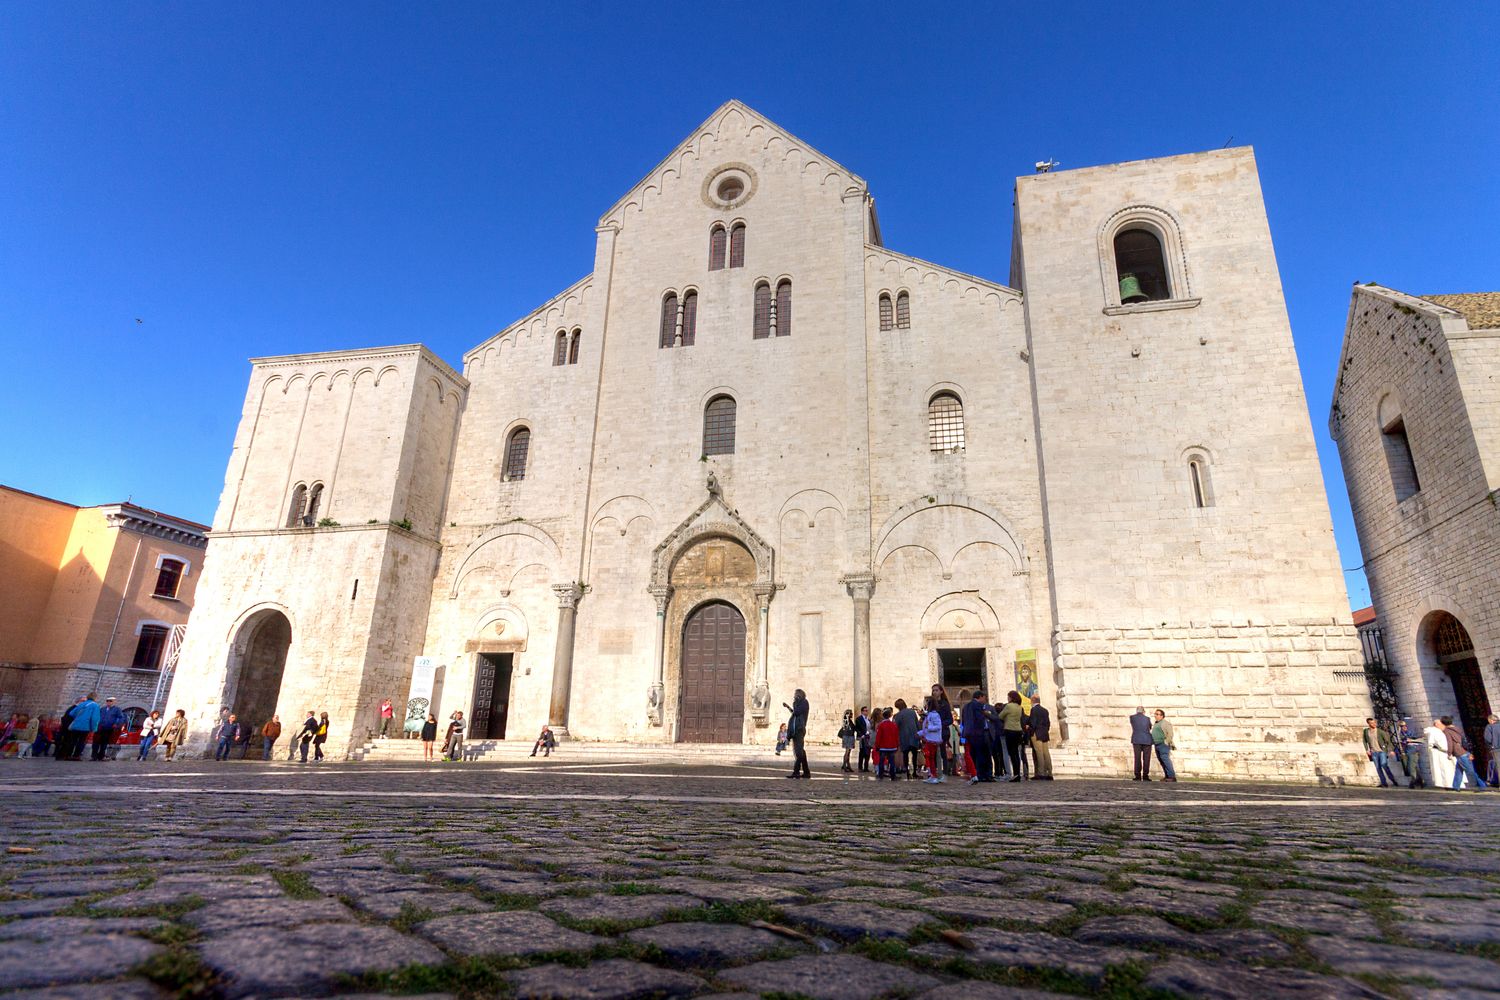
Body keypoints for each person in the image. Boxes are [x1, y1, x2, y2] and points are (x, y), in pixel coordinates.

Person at [1443, 716, 1487, 791]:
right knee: (1458, 770)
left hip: (1459, 752)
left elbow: (1449, 742)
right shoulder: (1457, 729)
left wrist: (1449, 753)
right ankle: (1456, 787)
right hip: (1465, 751)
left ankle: (1482, 785)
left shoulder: (1447, 731)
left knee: (1470, 771)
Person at [961, 691, 996, 784]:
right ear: (980, 697)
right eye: (984, 697)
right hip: (979, 733)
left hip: (970, 734)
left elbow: (963, 720)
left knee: (974, 754)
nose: (985, 699)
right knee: (984, 755)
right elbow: (979, 720)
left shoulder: (966, 706)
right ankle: (985, 775)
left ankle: (976, 774)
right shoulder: (977, 705)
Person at [1362, 718, 1399, 788]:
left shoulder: (1380, 731)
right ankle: (1384, 783)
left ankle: (1392, 779)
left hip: (1381, 751)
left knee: (1384, 765)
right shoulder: (1366, 731)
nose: (1374, 724)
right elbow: (1364, 740)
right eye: (1372, 723)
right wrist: (1367, 750)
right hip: (1374, 752)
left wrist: (1390, 750)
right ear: (1368, 724)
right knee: (1378, 768)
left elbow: (1388, 741)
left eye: (1374, 723)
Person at [998, 691, 1026, 782]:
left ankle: (1015, 774)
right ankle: (1017, 773)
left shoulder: (1009, 706)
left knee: (1011, 753)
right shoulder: (1019, 707)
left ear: (1011, 698)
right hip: (1018, 730)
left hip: (1009, 730)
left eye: (1008, 697)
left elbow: (1001, 716)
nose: (1007, 698)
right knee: (1016, 754)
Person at [65, 694, 101, 762]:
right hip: (85, 726)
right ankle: (76, 756)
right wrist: (94, 728)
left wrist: (79, 718)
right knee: (81, 741)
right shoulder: (95, 706)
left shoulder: (82, 704)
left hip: (76, 725)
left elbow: (72, 713)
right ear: (95, 698)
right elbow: (94, 718)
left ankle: (68, 755)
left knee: (73, 740)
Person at [1425, 717, 1457, 790]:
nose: (1443, 725)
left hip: (1443, 753)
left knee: (1447, 769)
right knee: (1445, 770)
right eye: (1441, 724)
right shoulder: (1435, 732)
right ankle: (1447, 784)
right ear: (1436, 724)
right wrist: (1450, 750)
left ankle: (1449, 784)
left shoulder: (1438, 731)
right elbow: (1442, 744)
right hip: (1441, 753)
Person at [784, 689, 810, 779]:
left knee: (798, 752)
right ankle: (806, 773)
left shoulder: (804, 702)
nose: (794, 696)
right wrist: (788, 707)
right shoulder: (798, 703)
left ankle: (796, 772)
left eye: (796, 694)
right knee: (800, 751)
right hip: (795, 731)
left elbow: (798, 712)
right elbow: (795, 713)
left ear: (800, 695)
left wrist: (795, 703)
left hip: (799, 730)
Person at [921, 697, 946, 784]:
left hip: (932, 739)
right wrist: (920, 733)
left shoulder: (934, 715)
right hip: (929, 738)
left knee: (930, 757)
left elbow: (938, 726)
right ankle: (933, 775)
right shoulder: (930, 715)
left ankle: (934, 776)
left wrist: (929, 728)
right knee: (930, 757)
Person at [932, 684, 955, 775]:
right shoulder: (931, 703)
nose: (934, 692)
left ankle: (945, 771)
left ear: (941, 691)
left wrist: (940, 724)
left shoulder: (945, 704)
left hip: (942, 731)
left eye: (936, 690)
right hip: (933, 731)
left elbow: (950, 719)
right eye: (933, 690)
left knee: (942, 752)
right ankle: (934, 771)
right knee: (932, 752)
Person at [893, 699, 920, 778]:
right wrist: (919, 733)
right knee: (914, 755)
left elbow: (895, 726)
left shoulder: (898, 715)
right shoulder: (912, 712)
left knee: (905, 755)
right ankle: (914, 772)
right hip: (914, 736)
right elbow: (917, 723)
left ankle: (908, 772)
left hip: (904, 737)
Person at [93, 696, 125, 761]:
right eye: (107, 701)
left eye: (110, 701)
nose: (108, 702)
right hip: (100, 727)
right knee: (96, 742)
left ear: (114, 702)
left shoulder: (117, 709)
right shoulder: (102, 709)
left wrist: (116, 724)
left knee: (104, 743)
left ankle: (101, 756)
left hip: (108, 728)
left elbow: (121, 718)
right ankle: (94, 756)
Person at [1029, 697, 1053, 780]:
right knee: (1046, 753)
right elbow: (1048, 723)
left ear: (1032, 701)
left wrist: (1030, 729)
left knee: (1039, 753)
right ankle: (1049, 773)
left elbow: (1033, 722)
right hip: (1044, 733)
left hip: (1037, 733)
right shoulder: (1045, 710)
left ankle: (1041, 773)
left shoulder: (1034, 710)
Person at [1151, 709, 1178, 782]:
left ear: (1162, 716)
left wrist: (1166, 742)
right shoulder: (1156, 723)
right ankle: (1167, 776)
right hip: (1157, 744)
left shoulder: (1166, 723)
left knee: (1166, 760)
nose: (1155, 715)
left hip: (1163, 745)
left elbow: (1170, 734)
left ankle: (1172, 776)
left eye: (1157, 714)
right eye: (1155, 714)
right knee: (1162, 761)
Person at [873, 708, 900, 780]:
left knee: (881, 761)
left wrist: (877, 745)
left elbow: (878, 737)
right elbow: (896, 736)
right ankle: (893, 776)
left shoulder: (881, 725)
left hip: (883, 746)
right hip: (892, 746)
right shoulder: (893, 725)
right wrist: (897, 745)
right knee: (892, 761)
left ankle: (881, 775)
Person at [1129, 706, 1154, 781]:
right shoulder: (1147, 718)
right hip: (1147, 740)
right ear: (1144, 711)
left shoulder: (1132, 717)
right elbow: (1149, 727)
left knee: (1137, 758)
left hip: (1136, 739)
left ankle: (1137, 775)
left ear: (1137, 711)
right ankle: (1145, 775)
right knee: (1146, 759)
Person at [1484, 713, 1500, 787]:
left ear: (1491, 720)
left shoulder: (1489, 727)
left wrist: (1491, 746)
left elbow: (1488, 739)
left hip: (1496, 749)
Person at [855, 707, 872, 773]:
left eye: (867, 711)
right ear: (862, 711)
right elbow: (857, 728)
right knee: (862, 752)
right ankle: (860, 767)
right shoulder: (859, 719)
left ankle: (866, 767)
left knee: (868, 752)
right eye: (865, 711)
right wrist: (861, 734)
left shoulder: (868, 719)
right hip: (862, 737)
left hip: (868, 737)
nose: (866, 712)